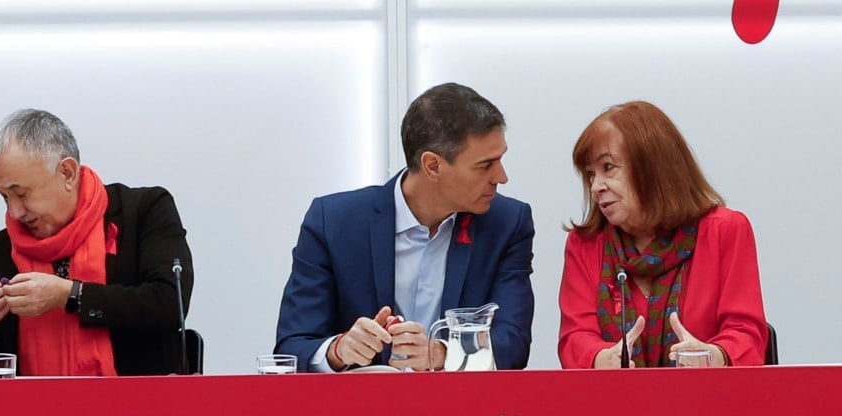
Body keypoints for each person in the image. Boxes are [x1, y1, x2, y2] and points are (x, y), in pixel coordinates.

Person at [274, 83, 535, 372]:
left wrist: (441, 354)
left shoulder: (507, 224)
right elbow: (292, 348)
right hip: (356, 412)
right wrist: (338, 349)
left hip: (465, 411)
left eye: (500, 159)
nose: (502, 177)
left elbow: (513, 344)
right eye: (485, 165)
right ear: (432, 165)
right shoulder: (333, 222)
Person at [0, 109, 193, 376]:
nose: (15, 212)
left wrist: (70, 295)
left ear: (67, 173)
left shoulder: (143, 212)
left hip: (138, 407)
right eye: (4, 197)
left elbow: (169, 305)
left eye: (21, 193)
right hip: (28, 414)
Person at [558, 101, 767, 368]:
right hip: (613, 403)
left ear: (652, 168)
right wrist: (601, 358)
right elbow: (575, 338)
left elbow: (747, 335)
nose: (596, 186)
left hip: (708, 402)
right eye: (590, 175)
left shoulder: (725, 231)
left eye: (608, 168)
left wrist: (713, 356)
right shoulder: (585, 244)